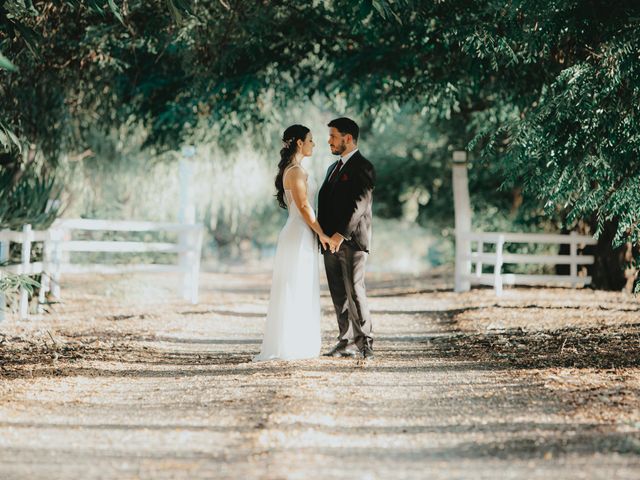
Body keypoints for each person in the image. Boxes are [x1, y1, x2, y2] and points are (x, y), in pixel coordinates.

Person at [253, 124, 336, 361]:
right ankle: (291, 345)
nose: (314, 144)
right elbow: (304, 207)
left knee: (298, 285)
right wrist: (322, 233)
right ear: (299, 142)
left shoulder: (293, 170)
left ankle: (295, 341)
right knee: (295, 285)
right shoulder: (296, 172)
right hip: (298, 233)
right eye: (310, 140)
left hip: (298, 232)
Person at [318, 117, 376, 360]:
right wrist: (323, 236)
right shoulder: (333, 169)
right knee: (338, 294)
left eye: (333, 136)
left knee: (355, 291)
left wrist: (340, 235)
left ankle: (365, 344)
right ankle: (345, 342)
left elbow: (358, 205)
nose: (329, 140)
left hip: (352, 241)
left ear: (348, 138)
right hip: (329, 243)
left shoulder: (363, 167)